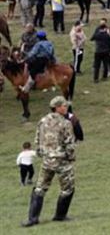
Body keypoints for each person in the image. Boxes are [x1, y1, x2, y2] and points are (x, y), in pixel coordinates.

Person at [21, 96, 76, 227]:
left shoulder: (42, 121)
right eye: (64, 105)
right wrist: (71, 157)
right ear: (57, 108)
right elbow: (70, 144)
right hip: (62, 161)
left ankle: (32, 218)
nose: (66, 107)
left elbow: (37, 140)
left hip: (47, 161)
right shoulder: (66, 123)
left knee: (40, 188)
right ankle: (60, 216)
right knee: (67, 189)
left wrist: (42, 154)